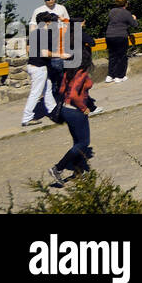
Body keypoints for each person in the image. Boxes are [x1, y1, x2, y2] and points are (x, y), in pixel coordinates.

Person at [47, 56, 94, 187]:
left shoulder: (69, 71)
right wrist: (84, 108)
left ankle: (78, 172)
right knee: (84, 142)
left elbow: (62, 90)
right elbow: (74, 95)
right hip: (76, 111)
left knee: (77, 142)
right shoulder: (81, 73)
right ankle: (58, 168)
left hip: (65, 110)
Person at [21, 12, 61, 127]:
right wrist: (59, 54)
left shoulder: (33, 33)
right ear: (47, 22)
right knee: (36, 93)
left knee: (47, 88)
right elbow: (46, 53)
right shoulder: (46, 35)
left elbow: (28, 49)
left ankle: (53, 111)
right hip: (39, 67)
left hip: (32, 65)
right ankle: (27, 117)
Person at [103, 0, 137, 83]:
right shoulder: (126, 13)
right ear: (126, 3)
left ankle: (110, 75)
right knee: (121, 56)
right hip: (121, 35)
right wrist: (134, 18)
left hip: (109, 35)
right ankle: (119, 76)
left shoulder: (112, 11)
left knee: (112, 56)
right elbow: (134, 25)